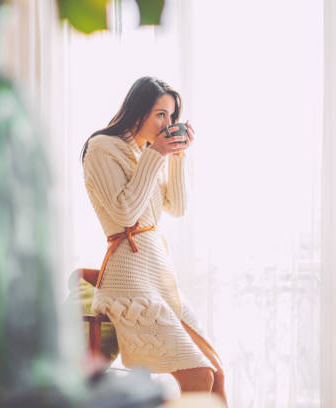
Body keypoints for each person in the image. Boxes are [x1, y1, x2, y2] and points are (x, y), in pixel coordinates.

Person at [81, 76, 228, 403]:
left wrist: (175, 157)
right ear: (138, 112)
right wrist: (156, 155)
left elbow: (177, 207)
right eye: (161, 114)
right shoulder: (101, 148)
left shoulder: (146, 153)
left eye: (172, 117)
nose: (168, 123)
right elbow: (124, 215)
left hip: (159, 277)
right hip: (129, 279)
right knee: (199, 374)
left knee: (215, 371)